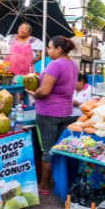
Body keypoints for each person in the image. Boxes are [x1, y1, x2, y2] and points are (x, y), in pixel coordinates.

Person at [27, 36, 78, 195]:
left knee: (47, 149)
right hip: (65, 112)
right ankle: (54, 181)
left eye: (49, 48)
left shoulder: (55, 65)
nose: (47, 51)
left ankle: (43, 185)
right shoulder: (72, 64)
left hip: (48, 113)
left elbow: (45, 91)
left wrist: (34, 93)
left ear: (59, 49)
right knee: (57, 147)